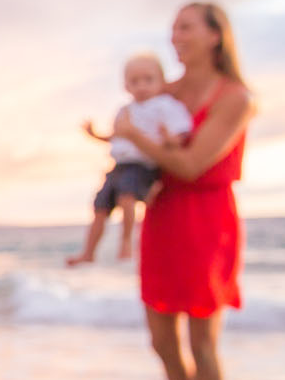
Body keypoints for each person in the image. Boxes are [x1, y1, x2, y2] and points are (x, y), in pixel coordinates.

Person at [113, 1, 256, 380]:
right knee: (161, 341)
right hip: (163, 214)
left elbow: (193, 164)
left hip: (206, 219)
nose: (176, 36)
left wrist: (135, 134)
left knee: (203, 341)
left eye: (186, 27)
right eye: (173, 28)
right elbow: (132, 152)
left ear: (215, 35)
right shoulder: (160, 90)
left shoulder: (235, 97)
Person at [66, 52, 192, 265]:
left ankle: (126, 243)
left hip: (141, 165)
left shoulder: (164, 105)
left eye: (148, 80)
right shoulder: (125, 110)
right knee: (100, 206)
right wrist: (94, 134)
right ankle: (88, 252)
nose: (142, 86)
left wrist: (171, 139)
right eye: (135, 81)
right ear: (126, 86)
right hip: (118, 166)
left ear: (162, 81)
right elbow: (115, 136)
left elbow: (182, 132)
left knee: (127, 198)